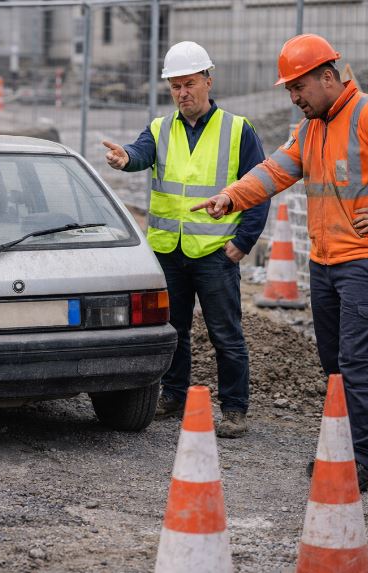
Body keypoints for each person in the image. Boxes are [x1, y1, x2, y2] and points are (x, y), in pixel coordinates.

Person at [192, 34, 368, 489]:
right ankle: (346, 448)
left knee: (359, 362)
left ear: (328, 77)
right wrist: (230, 198)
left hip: (367, 262)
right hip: (326, 264)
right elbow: (274, 172)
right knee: (335, 362)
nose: (294, 98)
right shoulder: (312, 129)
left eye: (299, 87)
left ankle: (365, 458)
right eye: (289, 90)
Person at [103, 41, 269, 437]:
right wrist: (125, 157)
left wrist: (243, 242)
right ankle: (174, 396)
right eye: (175, 86)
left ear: (208, 81)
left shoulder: (237, 130)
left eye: (189, 83)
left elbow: (259, 186)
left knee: (225, 333)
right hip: (169, 252)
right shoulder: (161, 128)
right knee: (172, 330)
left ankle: (234, 408)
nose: (182, 93)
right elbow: (140, 153)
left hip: (215, 252)